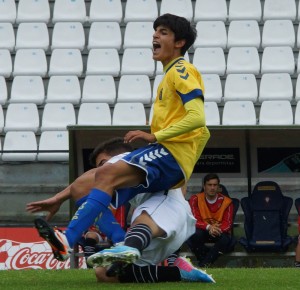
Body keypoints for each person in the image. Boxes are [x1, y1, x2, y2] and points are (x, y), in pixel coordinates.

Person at [33, 13, 210, 270]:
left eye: (163, 32)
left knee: (107, 173)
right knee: (97, 180)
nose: (155, 36)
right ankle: (82, 240)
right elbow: (201, 131)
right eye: (155, 31)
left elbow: (198, 117)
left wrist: (155, 137)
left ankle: (72, 239)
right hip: (169, 157)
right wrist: (60, 198)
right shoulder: (168, 75)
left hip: (169, 154)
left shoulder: (181, 70)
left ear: (180, 42)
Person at [28, 138, 215, 283]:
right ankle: (179, 272)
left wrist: (60, 197)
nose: (101, 172)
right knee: (104, 274)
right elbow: (81, 186)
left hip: (168, 213)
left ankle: (78, 240)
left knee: (143, 218)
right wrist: (60, 198)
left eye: (102, 164)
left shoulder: (130, 161)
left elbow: (84, 181)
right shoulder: (133, 179)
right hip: (158, 231)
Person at [187, 173, 234, 267]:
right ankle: (206, 262)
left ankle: (203, 265)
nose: (212, 188)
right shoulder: (195, 199)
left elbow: (228, 224)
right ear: (204, 186)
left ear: (218, 187)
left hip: (218, 231)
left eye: (215, 185)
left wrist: (216, 230)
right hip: (203, 230)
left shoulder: (227, 201)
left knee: (226, 239)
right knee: (195, 234)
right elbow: (194, 219)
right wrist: (209, 227)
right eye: (209, 185)